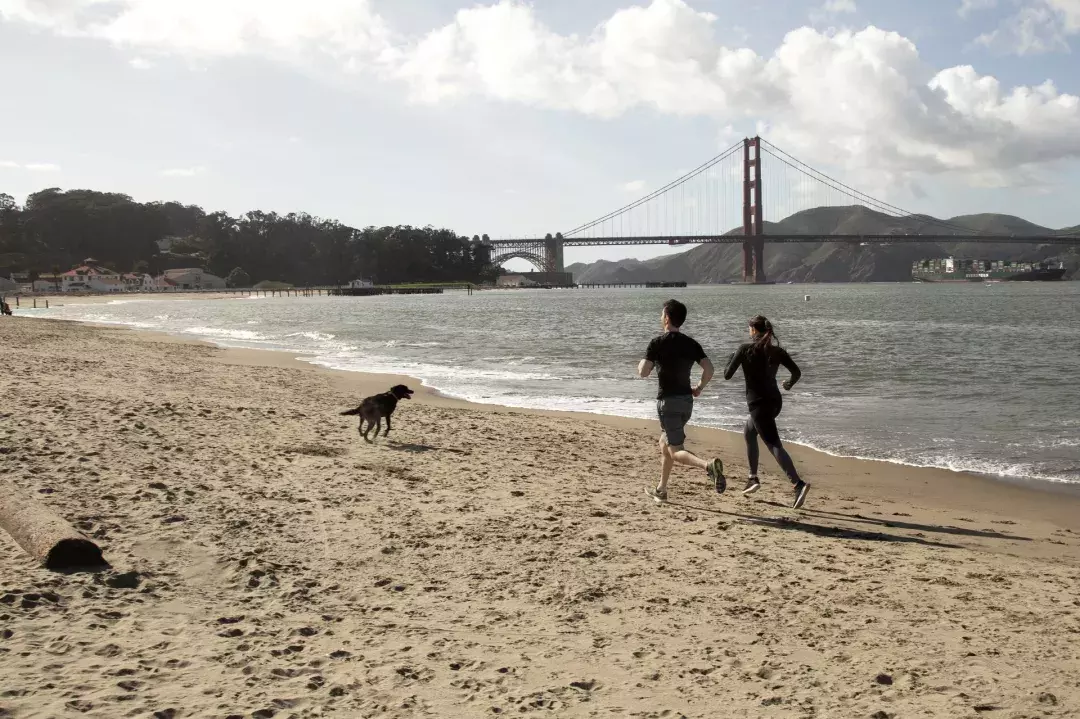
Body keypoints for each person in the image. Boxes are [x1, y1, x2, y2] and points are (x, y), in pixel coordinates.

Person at [638, 299, 725, 504]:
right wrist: (699, 388)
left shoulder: (657, 343)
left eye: (662, 315)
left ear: (667, 318)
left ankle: (708, 466)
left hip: (668, 404)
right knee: (664, 443)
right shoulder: (691, 343)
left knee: (675, 450)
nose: (661, 318)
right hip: (687, 402)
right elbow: (709, 369)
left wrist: (642, 362)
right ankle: (661, 489)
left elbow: (643, 372)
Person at [723, 315, 809, 509]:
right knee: (749, 431)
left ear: (753, 330)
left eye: (749, 329)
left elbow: (727, 375)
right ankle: (753, 478)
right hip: (775, 402)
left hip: (758, 404)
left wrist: (731, 356)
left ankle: (798, 484)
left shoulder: (745, 349)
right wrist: (788, 384)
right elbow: (797, 372)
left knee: (773, 444)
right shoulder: (777, 351)